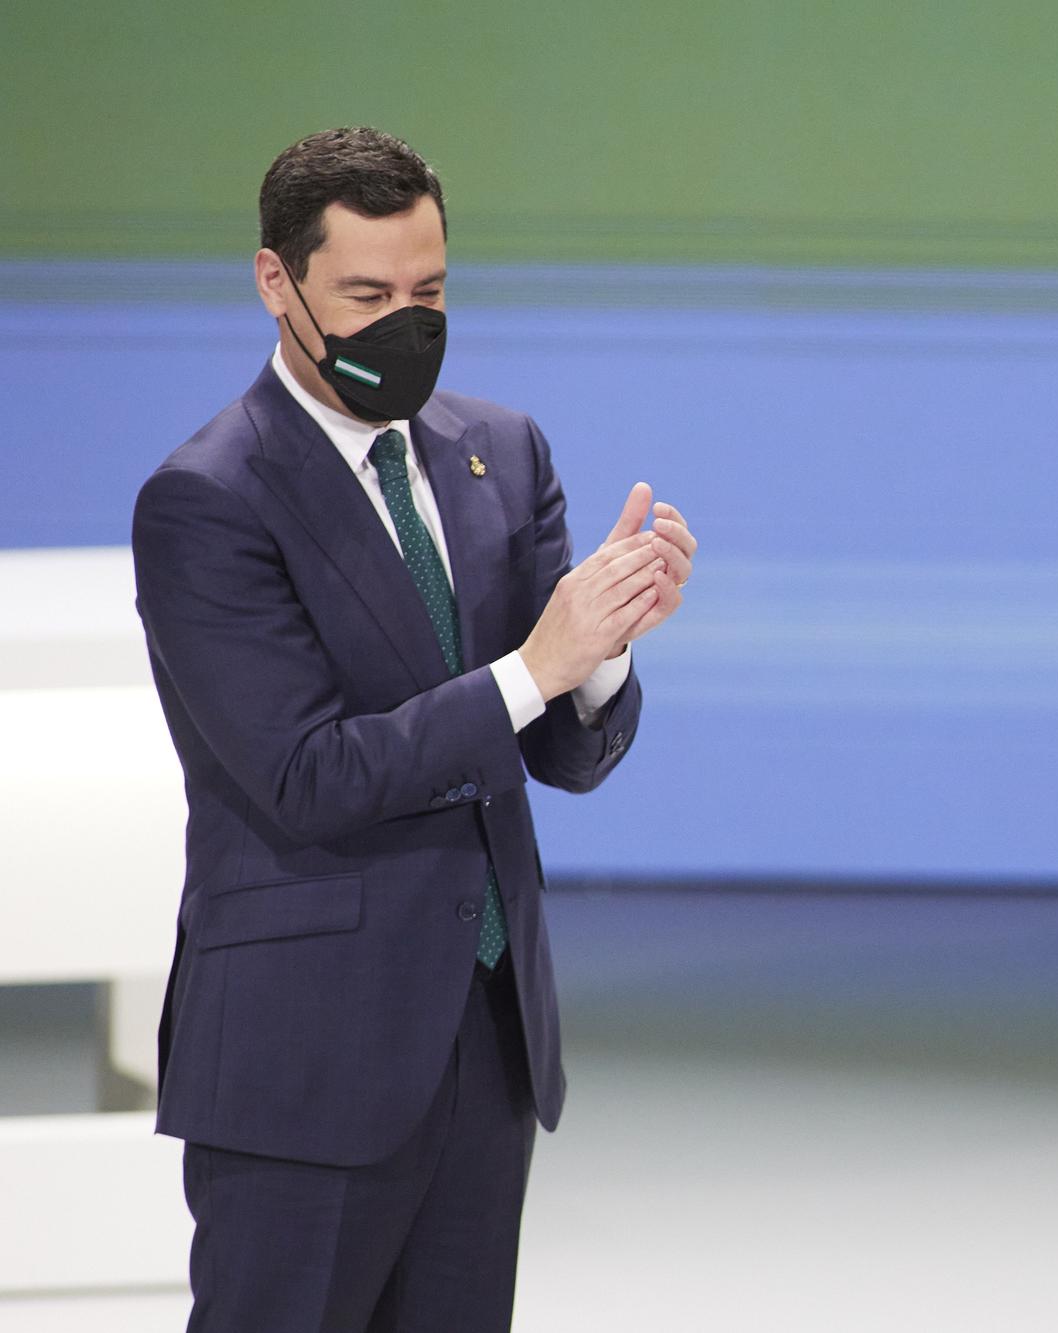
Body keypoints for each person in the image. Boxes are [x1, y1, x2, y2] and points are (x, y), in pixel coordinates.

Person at [131, 126, 696, 1331]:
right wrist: (537, 663)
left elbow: (564, 752)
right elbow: (307, 774)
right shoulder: (206, 501)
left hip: (485, 1040)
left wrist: (606, 648)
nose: (409, 321)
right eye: (370, 295)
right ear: (277, 284)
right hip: (305, 1058)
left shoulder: (502, 452)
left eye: (430, 290)